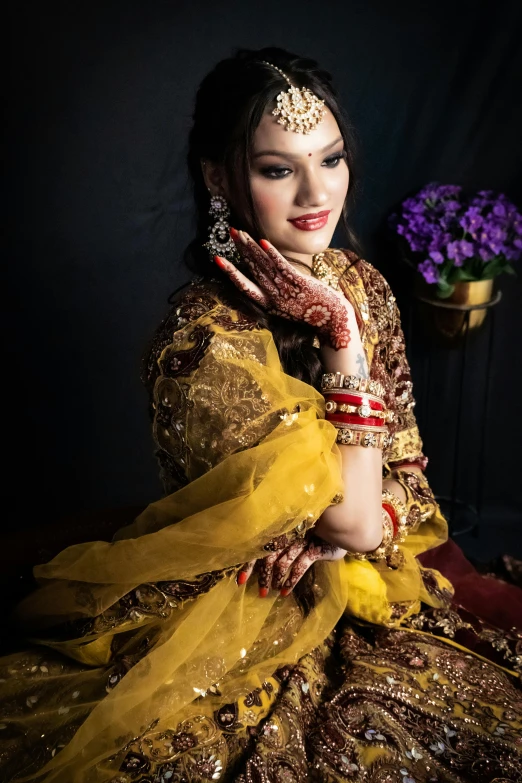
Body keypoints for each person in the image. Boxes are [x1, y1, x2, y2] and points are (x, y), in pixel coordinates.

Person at [1, 47, 521, 783]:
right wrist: (341, 350)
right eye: (278, 169)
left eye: (331, 159)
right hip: (242, 617)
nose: (318, 191)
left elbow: (403, 479)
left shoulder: (359, 286)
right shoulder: (203, 342)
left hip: (370, 589)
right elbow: (357, 521)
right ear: (220, 179)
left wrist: (360, 518)